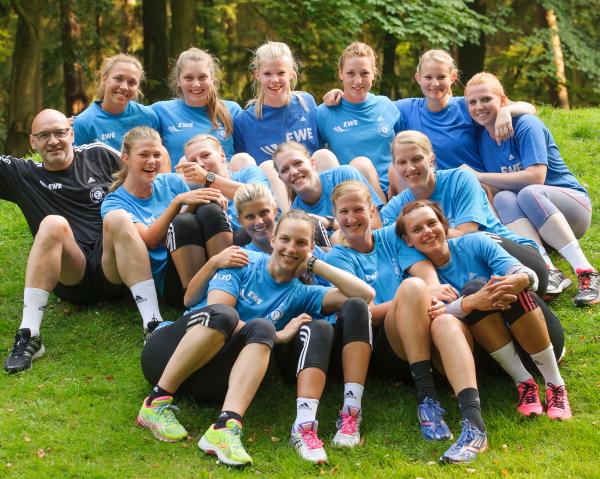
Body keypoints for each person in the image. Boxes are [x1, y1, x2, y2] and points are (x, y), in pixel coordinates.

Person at [144, 210, 374, 465]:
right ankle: (155, 403)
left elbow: (363, 296)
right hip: (167, 356)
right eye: (285, 239)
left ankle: (224, 428)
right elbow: (218, 310)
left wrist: (314, 263)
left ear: (310, 248)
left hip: (208, 380)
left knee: (261, 328)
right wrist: (279, 335)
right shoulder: (243, 259)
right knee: (232, 318)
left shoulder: (303, 293)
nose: (291, 248)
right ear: (273, 238)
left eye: (301, 243)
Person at [325, 181, 488, 464]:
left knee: (444, 322)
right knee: (411, 288)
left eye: (359, 209)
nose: (352, 218)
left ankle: (474, 424)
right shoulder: (339, 257)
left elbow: (428, 278)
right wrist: (411, 297)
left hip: (427, 328)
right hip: (391, 344)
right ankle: (427, 399)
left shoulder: (391, 236)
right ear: (335, 215)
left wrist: (431, 293)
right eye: (344, 211)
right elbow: (366, 313)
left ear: (372, 210)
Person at [1, 110, 164, 374]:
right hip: (70, 275)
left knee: (119, 217)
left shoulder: (99, 155)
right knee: (53, 223)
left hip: (112, 267)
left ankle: (154, 325)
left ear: (71, 133)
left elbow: (148, 166)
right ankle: (29, 334)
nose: (53, 141)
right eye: (44, 136)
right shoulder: (23, 174)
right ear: (33, 142)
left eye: (59, 133)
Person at [398, 200, 572, 422]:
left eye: (432, 223)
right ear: (408, 240)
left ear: (444, 225)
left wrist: (520, 278)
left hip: (543, 338)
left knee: (505, 284)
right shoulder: (415, 278)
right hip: (496, 357)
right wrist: (470, 302)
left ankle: (556, 385)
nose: (428, 232)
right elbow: (434, 319)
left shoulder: (475, 242)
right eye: (417, 229)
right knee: (474, 292)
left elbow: (530, 276)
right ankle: (524, 383)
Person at [464, 72, 598, 305]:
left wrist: (480, 176)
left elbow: (536, 177)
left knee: (529, 190)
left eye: (486, 99)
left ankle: (587, 272)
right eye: (472, 102)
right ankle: (549, 270)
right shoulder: (481, 137)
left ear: (503, 101)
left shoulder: (526, 124)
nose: (479, 107)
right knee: (504, 197)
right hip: (536, 222)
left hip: (572, 209)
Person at [323, 49, 535, 195]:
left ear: (452, 77)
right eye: (428, 77)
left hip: (473, 184)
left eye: (441, 77)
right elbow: (366, 106)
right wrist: (340, 94)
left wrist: (506, 110)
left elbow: (530, 108)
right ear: (418, 78)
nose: (435, 84)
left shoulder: (468, 105)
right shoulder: (405, 108)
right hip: (430, 188)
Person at [381, 130, 550, 296]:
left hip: (517, 258)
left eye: (417, 159)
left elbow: (468, 234)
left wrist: (421, 235)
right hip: (467, 276)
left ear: (431, 159)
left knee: (477, 240)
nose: (410, 168)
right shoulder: (393, 211)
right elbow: (405, 252)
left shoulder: (460, 179)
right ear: (394, 166)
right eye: (402, 162)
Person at [100, 127, 233, 308]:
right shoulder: (115, 203)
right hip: (172, 281)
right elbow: (151, 240)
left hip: (198, 257)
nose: (152, 161)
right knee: (183, 220)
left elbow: (189, 225)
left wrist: (203, 197)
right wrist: (177, 202)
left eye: (156, 155)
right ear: (126, 159)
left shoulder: (172, 181)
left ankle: (230, 283)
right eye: (144, 155)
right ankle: (197, 303)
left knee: (208, 208)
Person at [233, 41, 335, 210]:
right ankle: (291, 223)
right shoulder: (244, 120)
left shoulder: (306, 103)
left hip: (309, 186)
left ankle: (338, 214)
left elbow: (327, 138)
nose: (274, 80)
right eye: (267, 74)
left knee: (323, 154)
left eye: (281, 73)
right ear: (257, 75)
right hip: (275, 197)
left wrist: (339, 96)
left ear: (291, 73)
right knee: (267, 166)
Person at [317, 42, 402, 199]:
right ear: (340, 73)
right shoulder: (324, 113)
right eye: (350, 73)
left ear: (374, 74)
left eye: (364, 73)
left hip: (395, 192)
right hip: (355, 197)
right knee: (360, 165)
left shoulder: (386, 105)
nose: (358, 80)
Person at [272, 141, 383, 241]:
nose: (294, 172)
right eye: (285, 170)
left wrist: (329, 223)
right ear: (281, 178)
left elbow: (376, 224)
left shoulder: (344, 175)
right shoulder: (297, 214)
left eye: (298, 163)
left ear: (312, 163)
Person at [151, 48, 243, 168]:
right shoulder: (161, 111)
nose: (196, 84)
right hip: (183, 184)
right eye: (189, 78)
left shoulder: (231, 110)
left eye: (202, 77)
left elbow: (244, 155)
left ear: (212, 79)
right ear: (178, 80)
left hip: (224, 181)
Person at [176, 134, 271, 236]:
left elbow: (261, 197)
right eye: (193, 161)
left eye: (205, 155)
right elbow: (178, 229)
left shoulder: (248, 173)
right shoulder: (194, 193)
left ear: (222, 155)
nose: (200, 164)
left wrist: (208, 178)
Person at [73, 53, 161, 153]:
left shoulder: (148, 117)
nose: (124, 87)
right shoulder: (84, 123)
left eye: (132, 82)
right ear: (104, 78)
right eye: (118, 79)